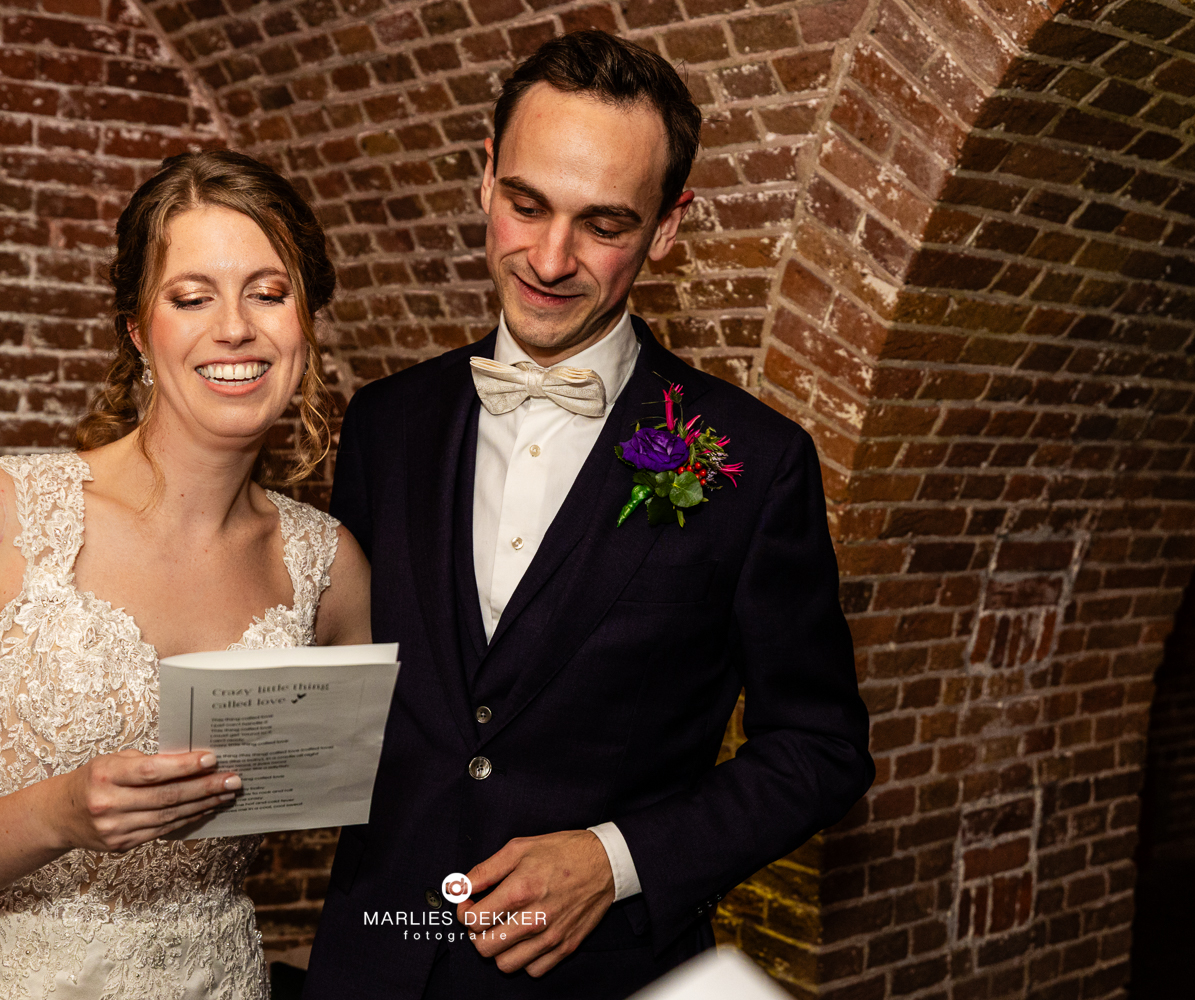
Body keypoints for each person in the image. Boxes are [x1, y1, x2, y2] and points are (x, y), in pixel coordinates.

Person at [305, 31, 872, 999]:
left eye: (603, 224)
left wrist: (617, 859)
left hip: (599, 975)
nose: (551, 258)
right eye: (526, 205)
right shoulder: (384, 423)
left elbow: (820, 751)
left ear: (667, 227)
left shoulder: (758, 463)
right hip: (372, 964)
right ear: (484, 179)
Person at [0, 150, 370, 999]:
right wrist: (54, 815)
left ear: (306, 322)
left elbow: (376, 805)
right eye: (191, 296)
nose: (234, 327)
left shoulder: (329, 569)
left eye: (269, 292)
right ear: (138, 328)